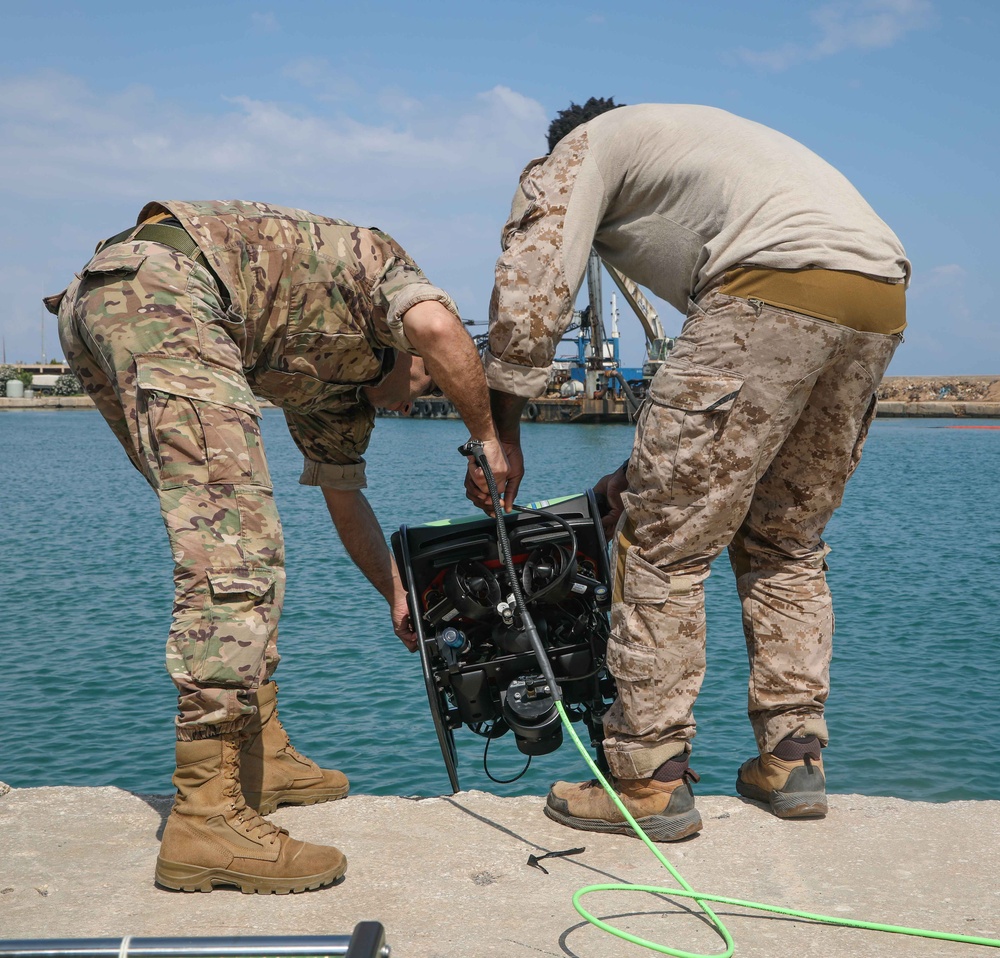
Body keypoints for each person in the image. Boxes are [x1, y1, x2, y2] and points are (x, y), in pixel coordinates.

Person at [472, 100, 908, 841]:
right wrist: (638, 467)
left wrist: (499, 434)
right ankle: (792, 761)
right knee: (787, 544)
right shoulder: (695, 141)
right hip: (878, 295)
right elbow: (727, 411)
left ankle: (646, 777)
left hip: (768, 282)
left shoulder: (583, 148)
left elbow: (532, 286)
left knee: (661, 550)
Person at [45, 200, 507, 892]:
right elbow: (441, 325)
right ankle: (206, 817)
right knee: (233, 554)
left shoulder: (339, 398)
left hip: (106, 303)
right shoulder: (385, 272)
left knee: (227, 536)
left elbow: (344, 501)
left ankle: (260, 752)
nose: (420, 401)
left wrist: (397, 594)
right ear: (411, 352)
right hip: (167, 291)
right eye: (427, 381)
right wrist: (490, 437)